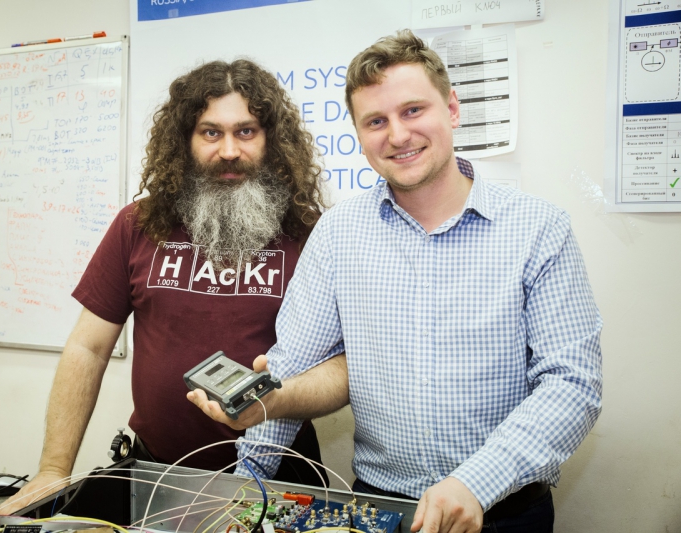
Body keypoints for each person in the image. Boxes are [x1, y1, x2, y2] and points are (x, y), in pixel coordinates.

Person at [188, 31, 603, 533]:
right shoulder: (338, 234)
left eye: (413, 111)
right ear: (359, 134)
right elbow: (290, 367)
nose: (399, 135)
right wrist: (244, 489)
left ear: (452, 108)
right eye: (376, 121)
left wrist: (476, 483)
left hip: (505, 512)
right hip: (379, 512)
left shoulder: (539, 229)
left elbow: (572, 384)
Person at [0, 59, 329, 515]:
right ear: (184, 140)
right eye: (210, 132)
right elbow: (88, 348)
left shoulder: (311, 234)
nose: (229, 150)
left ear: (271, 139)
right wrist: (54, 469)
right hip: (157, 478)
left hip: (279, 480)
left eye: (246, 131)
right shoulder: (137, 224)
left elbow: (343, 365)